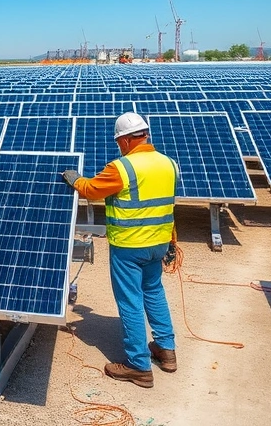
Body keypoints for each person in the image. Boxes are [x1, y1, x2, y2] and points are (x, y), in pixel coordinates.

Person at [62, 112, 178, 388]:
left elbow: (92, 189)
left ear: (125, 140)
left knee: (130, 302)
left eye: (119, 142)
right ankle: (166, 350)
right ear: (145, 135)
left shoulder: (122, 167)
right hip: (159, 243)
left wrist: (75, 179)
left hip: (129, 246)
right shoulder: (169, 163)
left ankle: (138, 366)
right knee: (154, 292)